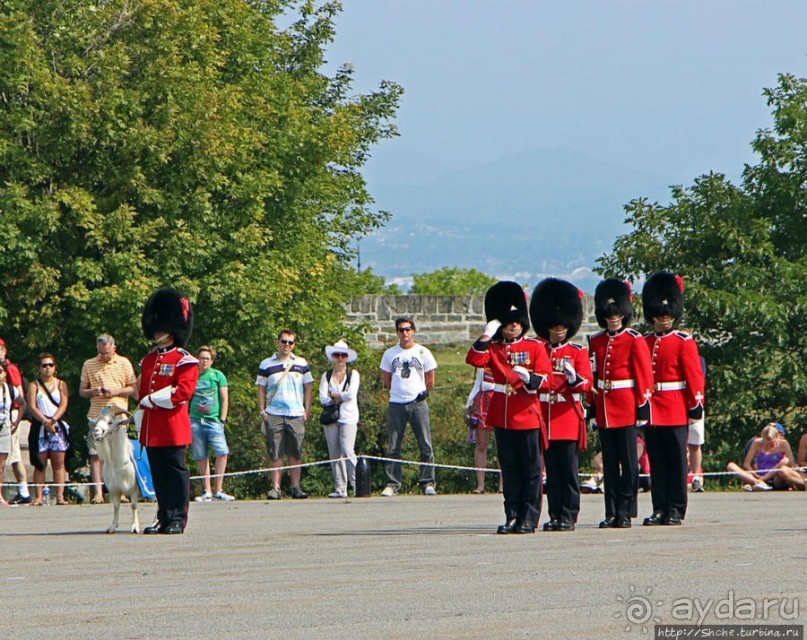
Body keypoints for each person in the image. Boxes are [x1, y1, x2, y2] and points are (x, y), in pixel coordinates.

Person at [466, 281, 551, 534]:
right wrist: (486, 334)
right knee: (510, 469)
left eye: (517, 320)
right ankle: (512, 515)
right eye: (508, 320)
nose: (514, 324)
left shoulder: (535, 347)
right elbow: (474, 359)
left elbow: (546, 379)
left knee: (531, 470)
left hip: (526, 414)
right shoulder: (494, 347)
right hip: (502, 415)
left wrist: (530, 379)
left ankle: (529, 517)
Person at [587, 278, 653, 529]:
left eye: (617, 314)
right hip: (604, 406)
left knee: (628, 463)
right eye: (609, 315)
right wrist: (592, 408)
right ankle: (611, 511)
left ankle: (626, 510)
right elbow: (593, 375)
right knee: (610, 465)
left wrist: (642, 406)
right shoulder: (595, 340)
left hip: (626, 405)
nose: (613, 318)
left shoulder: (634, 339)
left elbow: (643, 375)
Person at [641, 272, 705, 527]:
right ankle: (660, 507)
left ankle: (676, 508)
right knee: (657, 460)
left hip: (675, 405)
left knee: (677, 462)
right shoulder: (644, 341)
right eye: (660, 314)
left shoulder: (683, 341)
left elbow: (694, 376)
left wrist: (696, 404)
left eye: (668, 314)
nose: (664, 318)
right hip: (652, 408)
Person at [529, 278, 592, 532]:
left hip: (566, 415)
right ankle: (555, 513)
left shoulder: (577, 352)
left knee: (568, 470)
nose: (559, 330)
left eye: (562, 327)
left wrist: (573, 378)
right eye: (554, 327)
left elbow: (586, 383)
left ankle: (569, 513)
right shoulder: (539, 349)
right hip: (545, 414)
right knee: (552, 471)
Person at [138, 288, 199, 534]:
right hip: (153, 428)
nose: (157, 334)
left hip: (172, 426)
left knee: (176, 475)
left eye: (161, 329)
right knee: (159, 477)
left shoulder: (184, 360)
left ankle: (177, 518)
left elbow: (182, 392)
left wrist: (154, 399)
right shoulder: (148, 360)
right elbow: (142, 393)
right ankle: (163, 516)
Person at [379, 317, 438, 496]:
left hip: (417, 403)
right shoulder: (390, 354)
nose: (405, 333)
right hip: (397, 403)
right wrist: (397, 392)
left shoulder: (423, 352)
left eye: (408, 329)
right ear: (397, 332)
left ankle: (428, 482)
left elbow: (430, 378)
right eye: (401, 330)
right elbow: (387, 378)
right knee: (393, 445)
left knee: (425, 444)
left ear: (413, 331)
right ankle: (393, 483)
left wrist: (421, 392)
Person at [78, 333, 137, 504]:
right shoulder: (88, 364)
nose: (104, 356)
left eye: (107, 353)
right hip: (96, 414)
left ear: (114, 348)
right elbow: (82, 391)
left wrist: (116, 391)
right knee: (96, 454)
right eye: (101, 353)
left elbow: (132, 388)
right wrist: (93, 392)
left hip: (117, 415)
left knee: (119, 453)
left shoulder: (124, 362)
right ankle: (98, 492)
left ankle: (122, 490)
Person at [256, 329, 313, 500]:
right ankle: (276, 487)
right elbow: (261, 387)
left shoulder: (301, 363)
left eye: (290, 342)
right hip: (273, 412)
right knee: (275, 452)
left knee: (296, 451)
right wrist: (262, 410)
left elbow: (308, 387)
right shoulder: (266, 364)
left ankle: (296, 486)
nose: (287, 345)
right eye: (284, 341)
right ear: (277, 342)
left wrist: (307, 409)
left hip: (295, 412)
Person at [191, 346, 234, 502]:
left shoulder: (217, 375)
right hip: (195, 420)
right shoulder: (192, 375)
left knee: (222, 452)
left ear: (212, 360)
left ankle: (219, 489)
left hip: (213, 420)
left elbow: (224, 398)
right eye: (201, 358)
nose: (204, 361)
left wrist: (222, 419)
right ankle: (206, 490)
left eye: (207, 358)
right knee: (201, 455)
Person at [27, 353, 70, 505]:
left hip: (57, 425)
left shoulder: (61, 384)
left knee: (59, 463)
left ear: (55, 367)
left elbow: (64, 403)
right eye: (44, 365)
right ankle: (38, 497)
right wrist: (45, 421)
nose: (47, 368)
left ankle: (60, 496)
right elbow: (32, 406)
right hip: (40, 425)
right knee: (40, 463)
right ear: (39, 368)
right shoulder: (34, 385)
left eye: (50, 365)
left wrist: (54, 419)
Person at [319, 339, 360, 498]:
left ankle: (357, 485)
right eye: (337, 355)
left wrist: (335, 395)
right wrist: (337, 398)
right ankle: (340, 488)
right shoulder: (327, 375)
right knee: (334, 453)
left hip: (349, 416)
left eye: (343, 355)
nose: (340, 358)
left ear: (347, 357)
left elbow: (351, 395)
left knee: (347, 450)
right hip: (331, 416)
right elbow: (322, 397)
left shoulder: (353, 374)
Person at [727, 423, 804, 491]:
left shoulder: (783, 444)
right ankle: (757, 482)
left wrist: (764, 477)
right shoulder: (756, 443)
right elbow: (746, 464)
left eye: (771, 444)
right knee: (731, 466)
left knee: (783, 467)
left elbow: (791, 464)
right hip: (759, 475)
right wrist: (755, 474)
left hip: (775, 476)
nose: (768, 446)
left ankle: (757, 483)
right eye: (765, 443)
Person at [0, 338, 31, 504]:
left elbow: (18, 393)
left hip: (9, 412)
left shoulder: (9, 368)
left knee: (12, 453)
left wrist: (15, 420)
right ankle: (22, 490)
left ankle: (23, 490)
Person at [465, 367, 499, 494]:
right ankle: (480, 485)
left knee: (501, 445)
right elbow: (477, 383)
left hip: (499, 399)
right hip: (483, 401)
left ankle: (503, 484)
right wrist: (469, 405)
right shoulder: (483, 360)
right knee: (481, 444)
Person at [0, 362, 22, 505]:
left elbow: (23, 404)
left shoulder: (10, 389)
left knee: (1, 465)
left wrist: (16, 422)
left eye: (1, 371)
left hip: (4, 427)